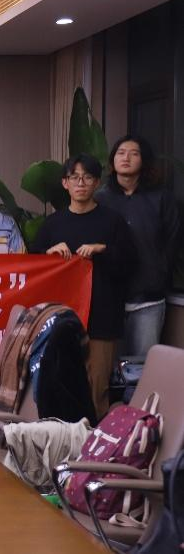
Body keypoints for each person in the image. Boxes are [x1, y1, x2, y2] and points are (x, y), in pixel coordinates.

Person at [31, 154, 137, 418]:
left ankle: (94, 439)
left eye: (87, 177)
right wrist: (48, 254)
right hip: (62, 318)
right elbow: (32, 267)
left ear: (97, 182)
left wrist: (103, 250)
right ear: (65, 183)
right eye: (75, 177)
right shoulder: (52, 224)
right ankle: (64, 438)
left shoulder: (112, 221)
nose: (81, 183)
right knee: (60, 382)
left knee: (97, 387)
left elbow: (129, 264)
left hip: (102, 317)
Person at [96, 134, 181, 358]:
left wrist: (159, 272)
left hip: (148, 299)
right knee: (109, 366)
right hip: (110, 300)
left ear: (144, 161)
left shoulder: (161, 198)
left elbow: (172, 241)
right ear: (113, 161)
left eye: (134, 154)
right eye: (121, 153)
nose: (126, 158)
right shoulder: (100, 200)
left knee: (143, 365)